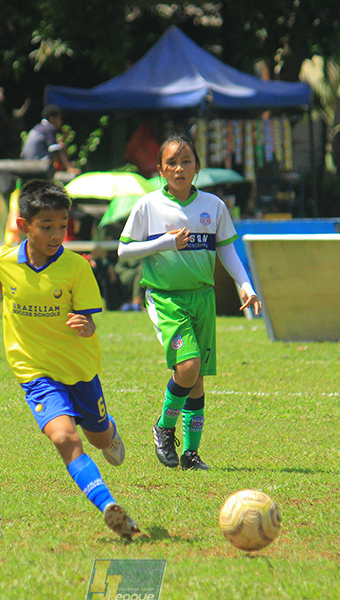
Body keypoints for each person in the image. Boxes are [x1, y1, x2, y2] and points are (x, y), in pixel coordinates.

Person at [0, 179, 140, 540]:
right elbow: (1, 279)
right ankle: (108, 505)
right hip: (34, 370)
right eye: (47, 226)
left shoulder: (76, 268)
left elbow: (88, 319)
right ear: (24, 226)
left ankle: (109, 431)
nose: (57, 234)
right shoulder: (6, 258)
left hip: (79, 368)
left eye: (62, 225)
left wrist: (85, 326)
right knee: (63, 438)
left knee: (99, 439)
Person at [118, 135, 261, 471]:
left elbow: (225, 248)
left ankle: (192, 455)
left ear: (197, 168)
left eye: (186, 162)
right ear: (160, 170)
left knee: (196, 379)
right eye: (171, 163)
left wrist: (244, 284)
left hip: (203, 297)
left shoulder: (213, 206)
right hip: (166, 297)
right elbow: (124, 249)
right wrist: (164, 243)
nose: (179, 168)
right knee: (189, 366)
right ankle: (164, 428)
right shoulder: (148, 206)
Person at [20, 105, 79, 175]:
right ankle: (69, 168)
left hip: (26, 162)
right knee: (60, 148)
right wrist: (67, 164)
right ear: (52, 119)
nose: (61, 122)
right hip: (38, 163)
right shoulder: (49, 128)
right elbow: (55, 150)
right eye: (59, 119)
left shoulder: (39, 127)